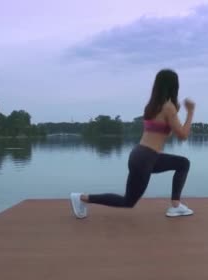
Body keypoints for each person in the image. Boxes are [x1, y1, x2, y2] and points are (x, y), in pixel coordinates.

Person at [70, 69, 195, 219]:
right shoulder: (168, 107)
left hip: (142, 155)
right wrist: (190, 112)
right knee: (128, 201)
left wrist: (177, 114)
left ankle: (176, 206)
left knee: (182, 163)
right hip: (146, 158)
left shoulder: (152, 106)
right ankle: (82, 198)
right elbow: (183, 135)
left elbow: (164, 133)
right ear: (174, 86)